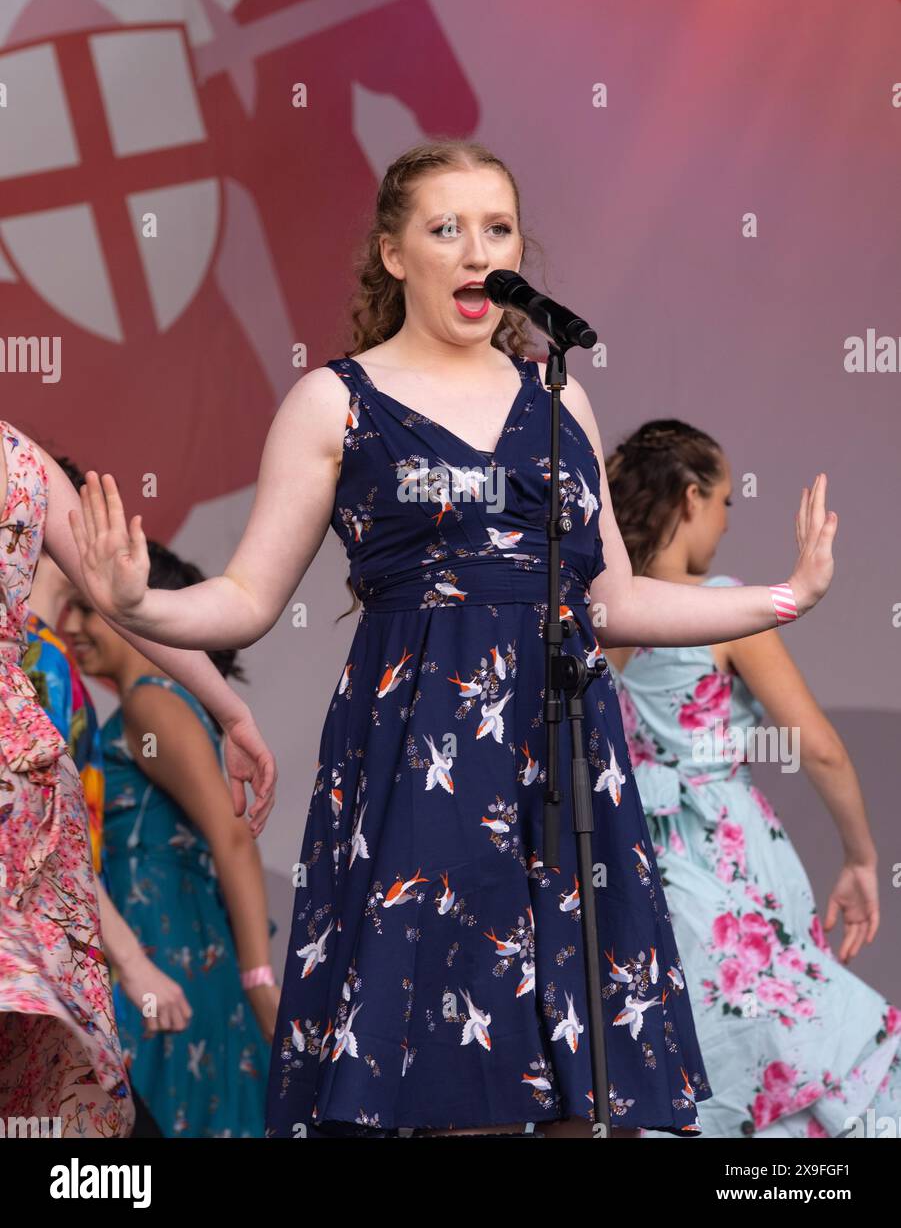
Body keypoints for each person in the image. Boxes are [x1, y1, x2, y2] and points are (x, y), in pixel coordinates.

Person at [67, 138, 837, 1140]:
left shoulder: (556, 396)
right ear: (393, 254)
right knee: (444, 1081)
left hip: (561, 762)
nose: (477, 250)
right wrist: (136, 601)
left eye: (497, 228)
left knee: (577, 1089)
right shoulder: (335, 400)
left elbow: (611, 603)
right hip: (422, 763)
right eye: (446, 228)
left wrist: (784, 596)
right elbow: (245, 598)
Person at [602, 419, 900, 1137]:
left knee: (676, 1057)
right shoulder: (723, 608)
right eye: (726, 501)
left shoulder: (597, 611)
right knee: (795, 1048)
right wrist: (861, 858)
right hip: (722, 857)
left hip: (624, 864)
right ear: (691, 497)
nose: (727, 522)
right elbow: (819, 748)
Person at [0, 418, 275, 1138]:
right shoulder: (19, 458)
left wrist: (228, 710)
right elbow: (125, 608)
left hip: (21, 813)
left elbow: (128, 606)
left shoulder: (18, 460)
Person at [65, 539, 278, 1137]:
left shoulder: (151, 705)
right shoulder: (152, 702)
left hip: (170, 970)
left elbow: (232, 839)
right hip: (169, 964)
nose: (73, 624)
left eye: (88, 607)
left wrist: (260, 982)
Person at [24, 514, 179, 1138]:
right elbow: (49, 829)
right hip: (47, 952)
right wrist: (131, 963)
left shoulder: (41, 655)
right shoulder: (39, 660)